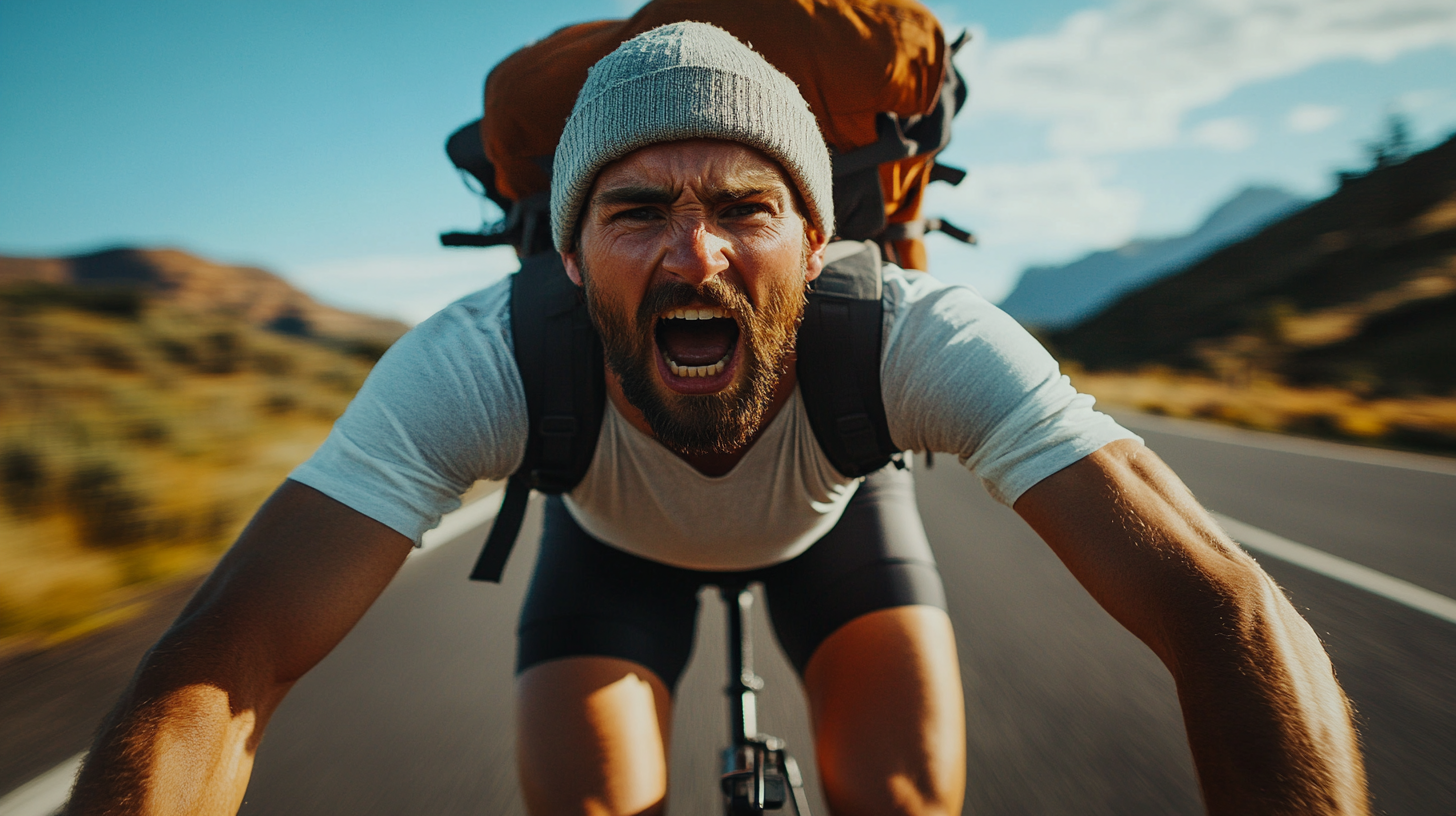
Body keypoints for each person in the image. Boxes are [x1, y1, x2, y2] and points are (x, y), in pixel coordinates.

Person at [65, 22, 1368, 816]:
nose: (695, 261)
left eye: (744, 208)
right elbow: (224, 665)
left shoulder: (912, 334)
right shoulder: (486, 360)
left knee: (905, 801)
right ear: (568, 260)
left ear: (817, 239)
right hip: (607, 548)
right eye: (635, 213)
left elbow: (1223, 607)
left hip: (834, 535)